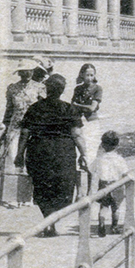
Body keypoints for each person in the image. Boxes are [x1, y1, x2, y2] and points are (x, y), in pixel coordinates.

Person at [16, 74, 86, 236]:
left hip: (38, 151)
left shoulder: (35, 108)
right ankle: (52, 222)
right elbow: (77, 135)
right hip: (63, 152)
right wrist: (84, 154)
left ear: (47, 88)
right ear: (62, 90)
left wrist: (19, 153)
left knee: (41, 186)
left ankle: (48, 220)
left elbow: (25, 133)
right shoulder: (69, 109)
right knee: (63, 188)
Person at [0, 58, 47, 204]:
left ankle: (26, 196)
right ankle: (12, 196)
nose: (26, 74)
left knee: (30, 160)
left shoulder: (39, 88)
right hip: (15, 127)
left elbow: (44, 109)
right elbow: (9, 109)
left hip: (33, 127)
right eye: (23, 72)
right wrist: (4, 126)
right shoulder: (12, 88)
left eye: (29, 71)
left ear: (33, 71)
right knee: (13, 158)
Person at [91, 130, 130, 237]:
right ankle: (114, 226)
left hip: (103, 184)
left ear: (102, 144)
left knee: (104, 206)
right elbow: (125, 172)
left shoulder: (99, 159)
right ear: (117, 145)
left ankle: (101, 224)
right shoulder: (119, 159)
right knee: (116, 208)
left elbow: (92, 169)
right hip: (116, 184)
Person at [71, 63, 103, 165]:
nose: (89, 78)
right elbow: (72, 105)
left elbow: (92, 108)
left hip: (92, 122)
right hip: (80, 122)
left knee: (91, 149)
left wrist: (78, 105)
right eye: (87, 75)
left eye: (92, 75)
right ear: (82, 75)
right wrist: (77, 105)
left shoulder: (97, 89)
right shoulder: (78, 89)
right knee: (81, 148)